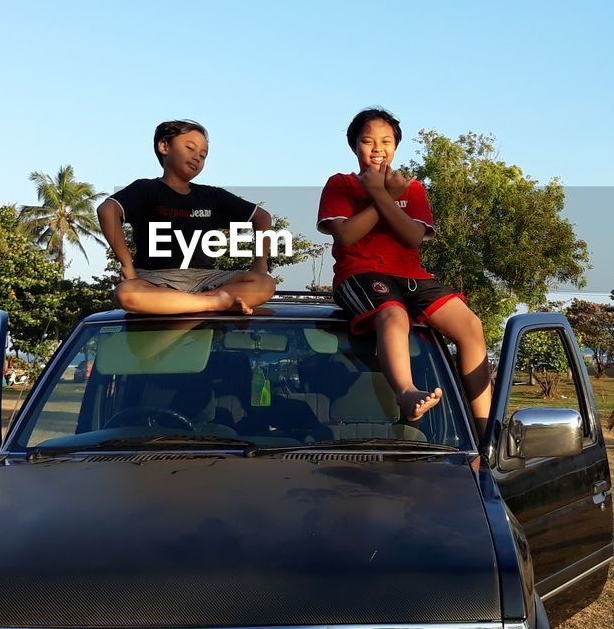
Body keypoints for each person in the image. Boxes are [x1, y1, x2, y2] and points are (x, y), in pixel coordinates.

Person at [318, 107, 491, 435]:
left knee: (471, 326)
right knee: (393, 317)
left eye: (385, 141)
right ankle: (407, 392)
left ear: (396, 146)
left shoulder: (410, 189)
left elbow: (413, 237)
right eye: (367, 141)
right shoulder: (340, 184)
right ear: (354, 146)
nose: (377, 148)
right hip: (360, 274)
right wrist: (383, 197)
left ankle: (485, 427)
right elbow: (346, 235)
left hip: (412, 275)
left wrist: (384, 194)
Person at [97, 119, 277, 315]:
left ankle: (195, 302)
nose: (197, 158)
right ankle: (216, 302)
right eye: (190, 148)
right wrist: (127, 265)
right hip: (155, 280)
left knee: (265, 284)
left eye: (203, 155)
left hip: (207, 279)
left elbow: (262, 218)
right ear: (164, 146)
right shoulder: (145, 189)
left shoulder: (212, 196)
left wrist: (260, 263)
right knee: (126, 294)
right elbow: (107, 211)